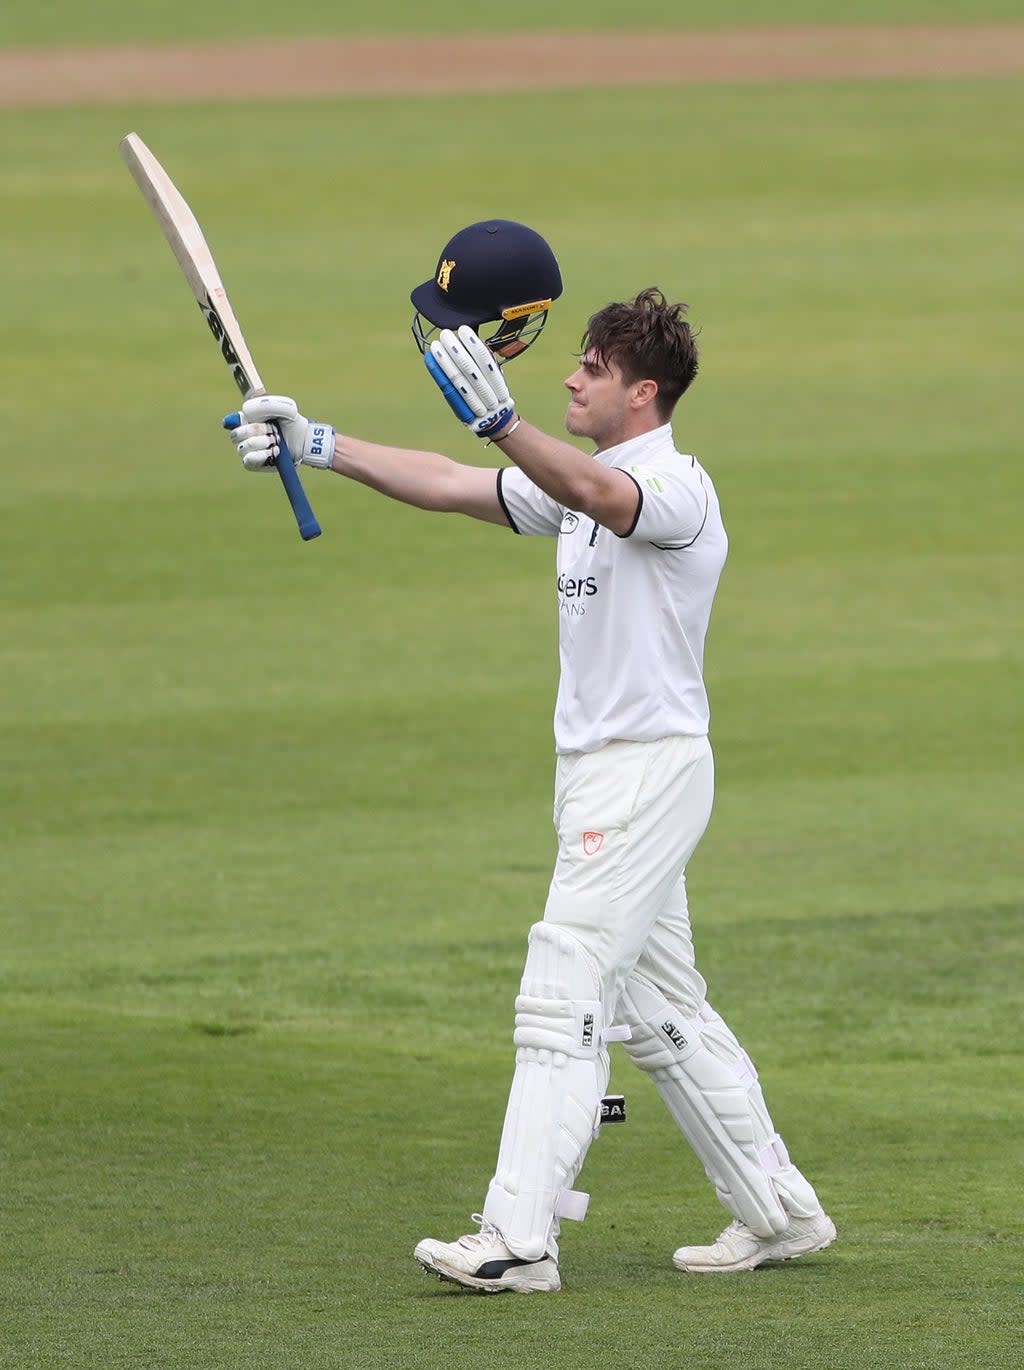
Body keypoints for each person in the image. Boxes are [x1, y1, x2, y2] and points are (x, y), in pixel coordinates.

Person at [223, 231, 836, 1294]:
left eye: (589, 371)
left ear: (642, 392)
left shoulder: (676, 490)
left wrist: (503, 420)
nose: (567, 377)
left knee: (562, 982)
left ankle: (517, 1239)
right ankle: (777, 1209)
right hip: (602, 774)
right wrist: (319, 441)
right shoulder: (577, 481)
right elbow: (460, 485)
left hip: (644, 772)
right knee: (661, 1011)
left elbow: (601, 500)